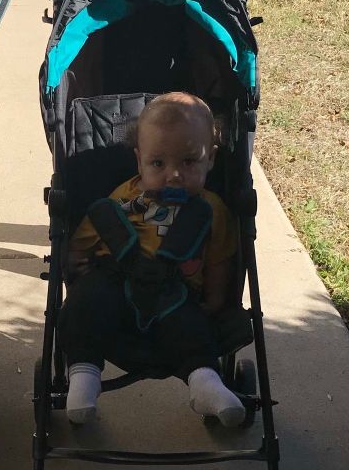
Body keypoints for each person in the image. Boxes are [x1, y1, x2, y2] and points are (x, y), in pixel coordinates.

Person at [57, 92, 246, 427]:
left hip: (176, 293)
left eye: (188, 162)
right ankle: (84, 375)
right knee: (84, 302)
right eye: (158, 164)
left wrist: (217, 299)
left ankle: (205, 382)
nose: (174, 175)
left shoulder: (212, 209)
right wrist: (74, 254)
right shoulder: (126, 195)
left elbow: (220, 259)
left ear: (210, 160)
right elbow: (94, 228)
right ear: (139, 160)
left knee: (192, 327)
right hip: (116, 280)